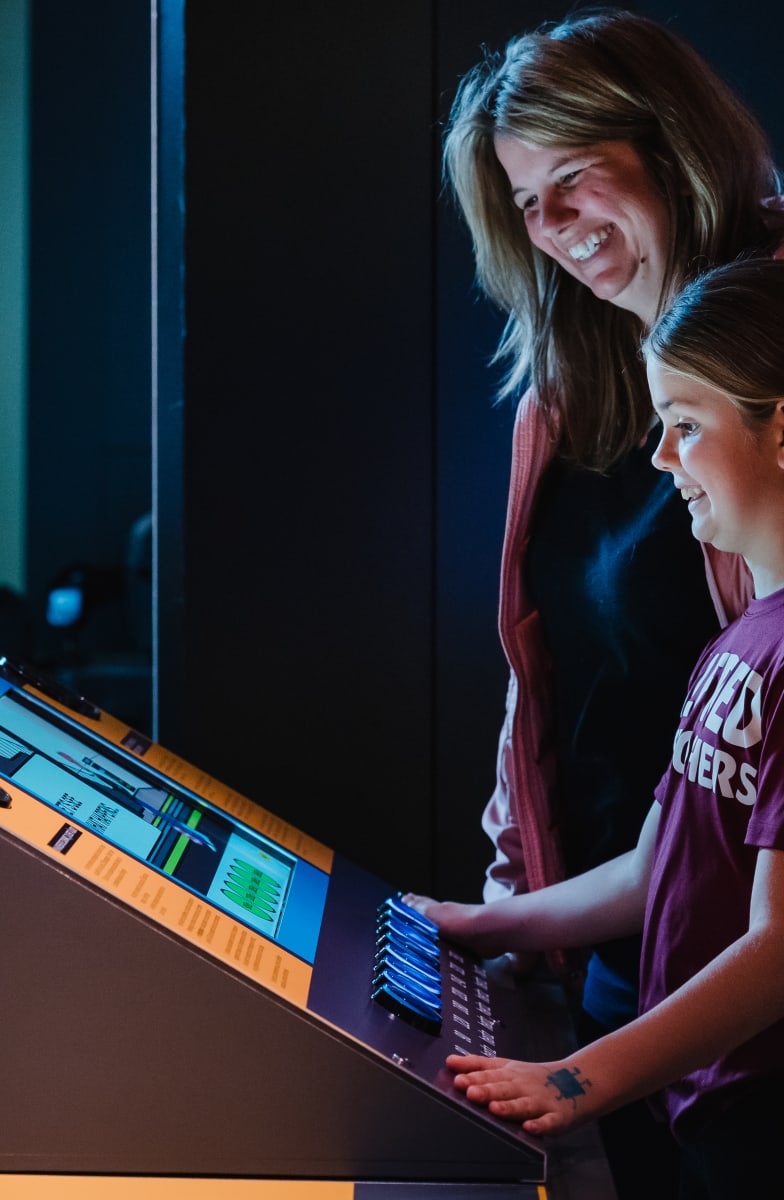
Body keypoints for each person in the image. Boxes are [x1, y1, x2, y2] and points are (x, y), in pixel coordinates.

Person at [443, 9, 782, 1191]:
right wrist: (507, 905)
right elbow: (546, 684)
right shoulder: (568, 389)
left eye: (574, 183)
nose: (555, 232)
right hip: (621, 937)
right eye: (527, 206)